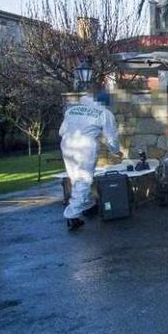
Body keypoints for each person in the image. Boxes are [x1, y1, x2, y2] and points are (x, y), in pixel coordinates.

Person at [59, 82, 122, 230]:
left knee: (75, 177)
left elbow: (62, 130)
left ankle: (88, 205)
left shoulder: (73, 109)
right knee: (84, 179)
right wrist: (115, 150)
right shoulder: (104, 113)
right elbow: (111, 137)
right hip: (86, 147)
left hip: (67, 144)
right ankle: (72, 215)